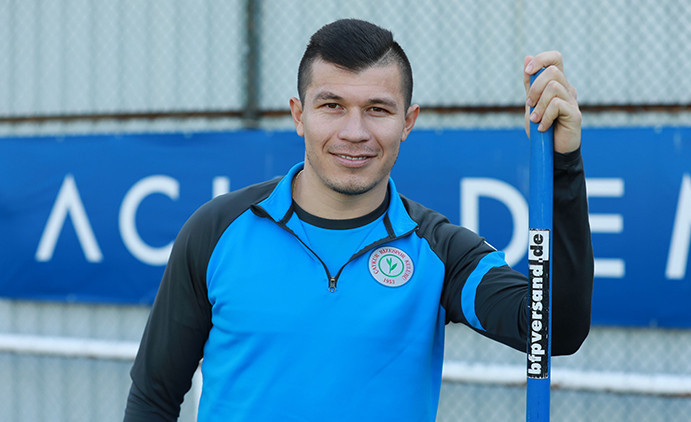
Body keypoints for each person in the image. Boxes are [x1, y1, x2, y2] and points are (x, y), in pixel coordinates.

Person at [124, 18, 593, 421]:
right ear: (299, 114)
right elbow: (154, 396)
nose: (355, 132)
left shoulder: (439, 251)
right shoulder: (217, 230)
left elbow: (553, 330)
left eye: (377, 110)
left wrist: (563, 164)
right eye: (332, 106)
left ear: (407, 122)